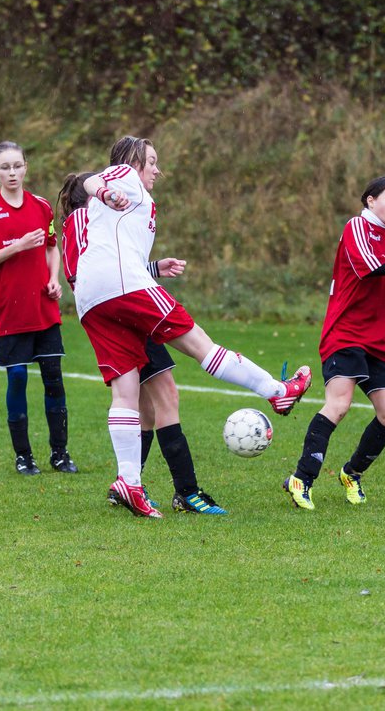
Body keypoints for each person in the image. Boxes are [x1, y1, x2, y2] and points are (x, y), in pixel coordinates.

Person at [73, 135, 312, 518]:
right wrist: (103, 188)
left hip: (91, 299)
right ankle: (278, 391)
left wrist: (152, 267)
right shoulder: (124, 176)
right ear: (134, 161)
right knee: (202, 345)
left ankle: (129, 482)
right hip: (124, 285)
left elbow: (106, 245)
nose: (156, 170)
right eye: (151, 161)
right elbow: (90, 181)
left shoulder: (103, 213)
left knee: (126, 391)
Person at [58, 173, 226, 515]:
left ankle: (127, 485)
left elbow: (115, 266)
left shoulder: (90, 225)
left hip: (119, 311)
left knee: (147, 410)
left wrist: (153, 268)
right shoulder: (83, 220)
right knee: (163, 399)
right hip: (127, 317)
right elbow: (95, 274)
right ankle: (186, 491)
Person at [283, 176, 385, 510]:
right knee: (339, 405)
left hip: (382, 340)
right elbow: (369, 267)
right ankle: (301, 478)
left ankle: (352, 473)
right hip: (347, 333)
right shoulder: (356, 227)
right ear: (371, 200)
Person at [0, 141, 77, 476]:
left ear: (26, 166)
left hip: (42, 307)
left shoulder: (42, 206)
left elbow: (51, 248)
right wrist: (17, 246)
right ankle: (23, 457)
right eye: (5, 167)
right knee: (17, 377)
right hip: (8, 309)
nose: (12, 172)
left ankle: (60, 454)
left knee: (53, 378)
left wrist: (54, 279)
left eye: (17, 166)